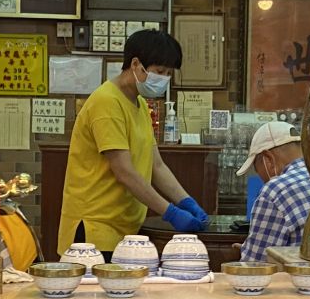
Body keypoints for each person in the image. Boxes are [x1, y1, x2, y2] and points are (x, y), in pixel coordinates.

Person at [57, 28, 209, 255]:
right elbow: (124, 172)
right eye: (160, 71)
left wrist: (186, 201)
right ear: (136, 64)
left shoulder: (139, 106)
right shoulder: (107, 102)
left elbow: (156, 166)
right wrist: (170, 213)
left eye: (169, 74)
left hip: (124, 229)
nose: (164, 79)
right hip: (94, 230)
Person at [236, 123, 310, 264]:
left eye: (257, 169)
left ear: (268, 159)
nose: (261, 178)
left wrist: (249, 253)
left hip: (295, 283)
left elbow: (255, 266)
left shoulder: (275, 191)